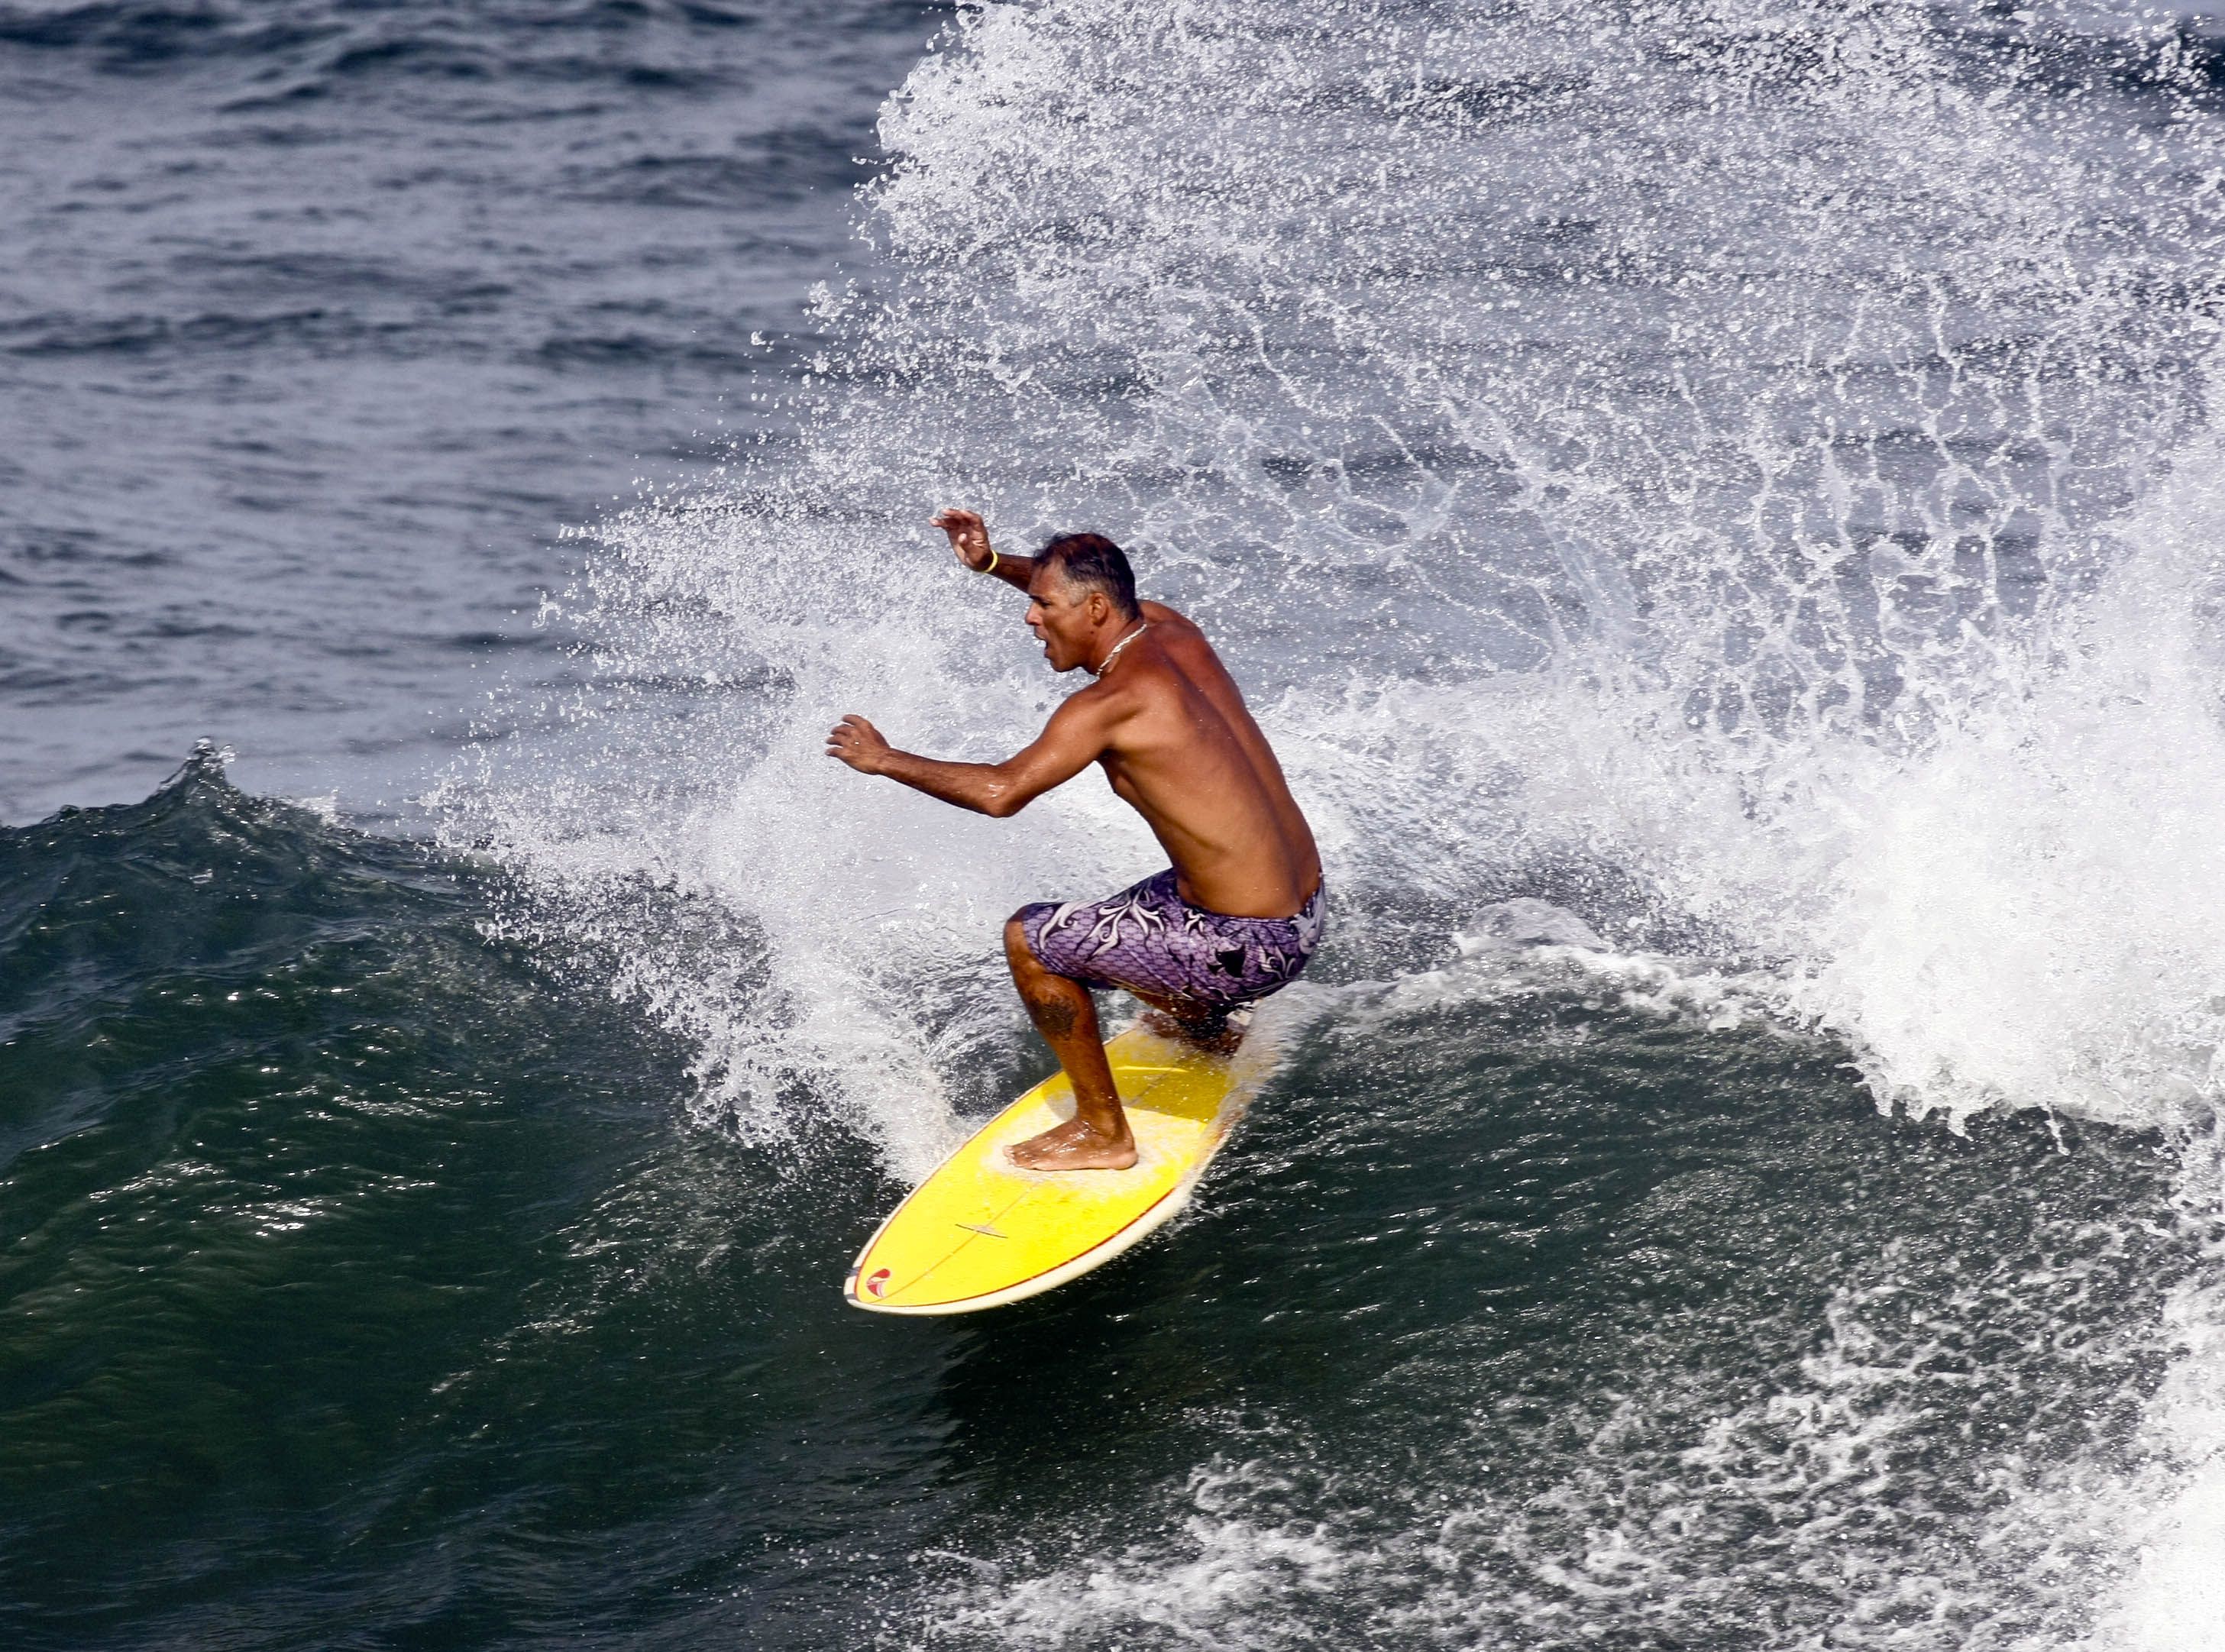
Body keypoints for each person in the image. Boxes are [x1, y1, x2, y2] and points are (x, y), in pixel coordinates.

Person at [825, 508, 1324, 1171]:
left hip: (1252, 946)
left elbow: (1002, 792)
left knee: (1032, 940)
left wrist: (885, 759)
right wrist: (993, 563)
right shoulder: (1173, 632)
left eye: (1042, 606)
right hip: (1305, 910)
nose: (1031, 618)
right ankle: (1205, 1026)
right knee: (1143, 908)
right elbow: (1079, 586)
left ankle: (1102, 1133)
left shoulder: (1114, 701)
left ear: (1094, 610)